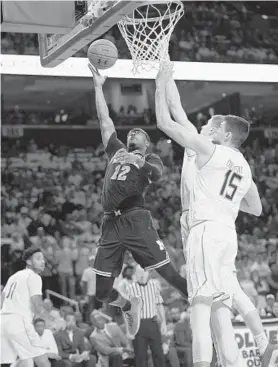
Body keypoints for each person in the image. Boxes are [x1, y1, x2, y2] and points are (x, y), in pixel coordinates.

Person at [155, 68, 270, 367]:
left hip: (203, 227)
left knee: (201, 305)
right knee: (221, 308)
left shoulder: (205, 148)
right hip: (224, 230)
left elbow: (168, 119)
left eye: (210, 124)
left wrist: (159, 83)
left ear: (221, 133)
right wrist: (167, 77)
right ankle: (249, 351)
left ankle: (253, 345)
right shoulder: (243, 165)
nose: (207, 125)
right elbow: (256, 209)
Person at [87, 64, 188, 339]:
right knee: (102, 294)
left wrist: (139, 160)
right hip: (110, 223)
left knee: (169, 275)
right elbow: (105, 120)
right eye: (130, 132)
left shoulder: (151, 159)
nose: (132, 132)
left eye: (138, 133)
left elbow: (156, 174)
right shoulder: (116, 151)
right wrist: (98, 86)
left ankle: (202, 302)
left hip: (135, 218)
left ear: (146, 143)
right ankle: (129, 305)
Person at [1, 246, 51, 367]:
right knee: (44, 363)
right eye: (38, 258)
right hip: (19, 322)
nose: (43, 261)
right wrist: (49, 320)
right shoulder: (34, 276)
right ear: (28, 262)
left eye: (43, 259)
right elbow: (36, 303)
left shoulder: (13, 277)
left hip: (2, 322)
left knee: (23, 362)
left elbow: (1, 301)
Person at [127, 266, 167, 367]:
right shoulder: (130, 288)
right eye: (139, 272)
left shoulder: (154, 286)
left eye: (144, 272)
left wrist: (163, 323)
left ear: (148, 273)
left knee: (159, 354)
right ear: (135, 274)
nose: (142, 275)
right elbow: (127, 311)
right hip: (138, 325)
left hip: (153, 322)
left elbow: (159, 304)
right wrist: (129, 330)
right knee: (140, 356)